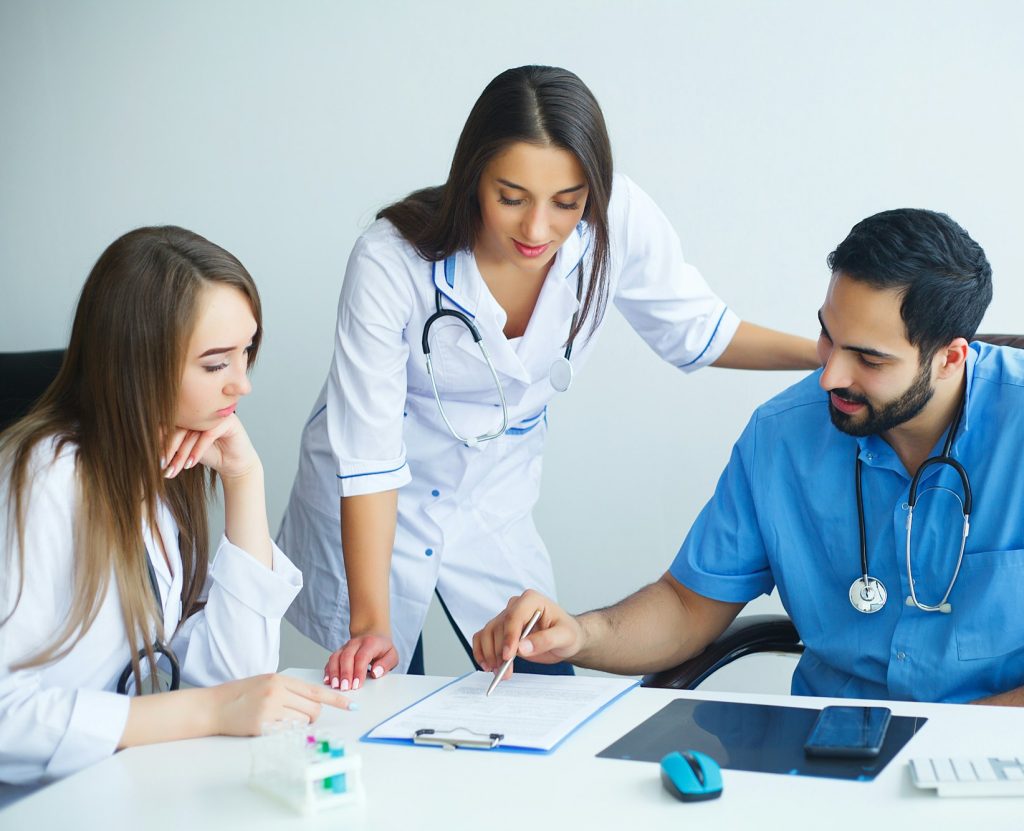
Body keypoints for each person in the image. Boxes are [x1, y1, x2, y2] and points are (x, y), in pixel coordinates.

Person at [279, 65, 819, 692]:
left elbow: (698, 329)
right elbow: (369, 456)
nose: (539, 230)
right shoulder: (390, 260)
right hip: (373, 510)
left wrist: (828, 354)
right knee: (382, 691)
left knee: (539, 683)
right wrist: (369, 622)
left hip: (491, 501)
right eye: (511, 197)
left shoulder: (616, 219)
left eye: (567, 202)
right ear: (472, 177)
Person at [474, 207, 1024, 706]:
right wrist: (579, 633)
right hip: (830, 753)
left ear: (951, 357)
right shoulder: (781, 435)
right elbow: (688, 607)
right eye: (828, 337)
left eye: (870, 359)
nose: (829, 375)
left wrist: (947, 743)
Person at [0, 227, 351, 786]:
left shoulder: (162, 469)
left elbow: (237, 677)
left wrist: (245, 480)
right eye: (216, 365)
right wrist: (204, 711)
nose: (242, 386)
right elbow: (6, 718)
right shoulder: (45, 478)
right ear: (137, 364)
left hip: (128, 788)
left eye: (246, 354)